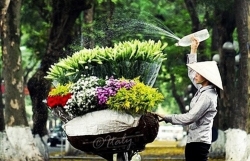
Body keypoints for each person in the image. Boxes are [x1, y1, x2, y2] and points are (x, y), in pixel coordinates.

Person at [154, 36, 223, 161]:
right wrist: (193, 50)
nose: (195, 75)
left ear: (207, 77)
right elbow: (192, 73)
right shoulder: (203, 89)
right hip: (194, 140)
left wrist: (166, 117)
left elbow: (190, 117)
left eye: (199, 73)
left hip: (199, 143)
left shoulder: (207, 96)